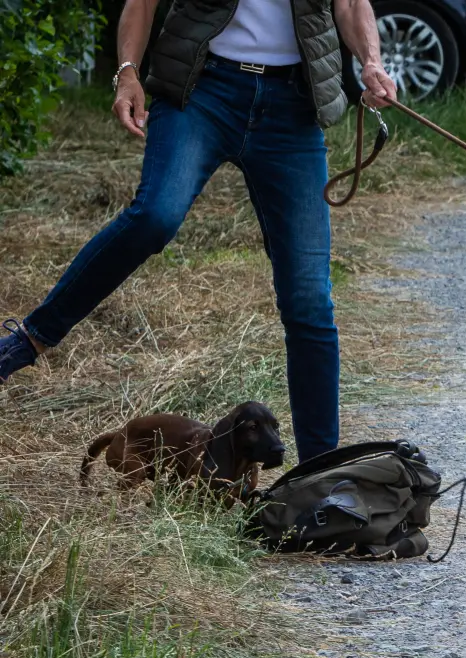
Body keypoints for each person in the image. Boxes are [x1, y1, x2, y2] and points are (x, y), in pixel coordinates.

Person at [0, 0, 397, 461]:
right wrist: (127, 74)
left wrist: (371, 62)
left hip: (293, 104)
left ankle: (318, 473)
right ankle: (28, 340)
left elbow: (349, 4)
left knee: (309, 296)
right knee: (155, 217)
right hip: (202, 88)